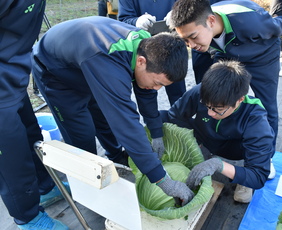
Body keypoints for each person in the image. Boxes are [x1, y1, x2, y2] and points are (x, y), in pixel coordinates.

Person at [31, 16, 194, 206]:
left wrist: (156, 133)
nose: (157, 89)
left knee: (103, 118)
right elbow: (125, 122)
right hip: (56, 73)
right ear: (141, 62)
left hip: (85, 64)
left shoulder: (145, 46)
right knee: (82, 133)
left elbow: (146, 93)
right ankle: (86, 185)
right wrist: (161, 179)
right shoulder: (108, 61)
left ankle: (117, 157)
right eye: (158, 83)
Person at [169, 0, 282, 155]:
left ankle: (267, 155)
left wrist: (280, 15)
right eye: (186, 41)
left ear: (211, 21)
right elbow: (208, 45)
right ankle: (212, 143)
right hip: (228, 53)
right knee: (213, 91)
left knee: (267, 103)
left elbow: (278, 26)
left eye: (193, 37)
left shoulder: (251, 19)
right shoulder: (203, 25)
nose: (191, 46)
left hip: (262, 56)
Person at [161, 60, 275, 203]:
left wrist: (218, 165)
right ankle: (202, 149)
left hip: (235, 150)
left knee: (245, 191)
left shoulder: (256, 120)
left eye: (218, 109)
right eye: (206, 106)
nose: (210, 113)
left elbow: (259, 176)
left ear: (239, 99)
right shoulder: (201, 92)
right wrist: (155, 135)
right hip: (206, 137)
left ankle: (241, 178)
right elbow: (173, 115)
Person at [0, 1, 69, 229]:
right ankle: (28, 218)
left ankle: (44, 187)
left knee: (31, 133)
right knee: (12, 156)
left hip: (13, 74)